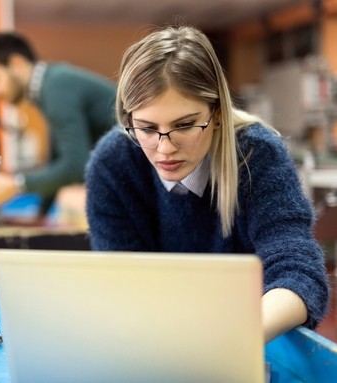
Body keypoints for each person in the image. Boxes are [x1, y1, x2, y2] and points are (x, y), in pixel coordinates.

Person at [85, 25, 329, 343]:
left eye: (184, 125)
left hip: (248, 336)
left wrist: (232, 342)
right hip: (153, 340)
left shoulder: (257, 154)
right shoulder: (112, 166)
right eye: (146, 128)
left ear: (216, 114)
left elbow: (299, 269)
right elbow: (124, 286)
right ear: (128, 120)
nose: (165, 147)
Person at [0, 32, 116, 217]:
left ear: (16, 64)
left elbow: (76, 166)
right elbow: (56, 160)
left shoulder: (56, 88)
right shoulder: (50, 85)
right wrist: (40, 216)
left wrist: (15, 184)